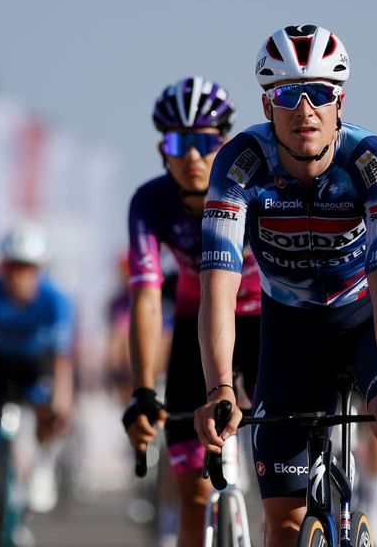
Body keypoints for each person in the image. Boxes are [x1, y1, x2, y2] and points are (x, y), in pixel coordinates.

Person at [195, 24, 377, 547]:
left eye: (320, 93)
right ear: (267, 106)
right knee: (282, 526)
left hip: (367, 315)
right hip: (291, 328)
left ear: (339, 101)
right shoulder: (238, 166)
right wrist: (218, 389)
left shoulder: (373, 163)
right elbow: (219, 289)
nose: (305, 109)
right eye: (287, 94)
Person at [121, 76, 262, 547]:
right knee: (195, 495)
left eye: (206, 142)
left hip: (269, 322)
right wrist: (143, 389)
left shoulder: (258, 187)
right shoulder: (150, 203)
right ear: (163, 147)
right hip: (197, 327)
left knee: (291, 482)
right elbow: (145, 296)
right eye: (179, 142)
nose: (194, 157)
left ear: (225, 142)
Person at [0, 222, 75, 521]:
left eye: (28, 268)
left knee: (53, 414)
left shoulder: (55, 300)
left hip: (34, 365)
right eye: (13, 267)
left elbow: (61, 359)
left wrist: (61, 403)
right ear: (2, 267)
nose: (20, 275)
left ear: (39, 270)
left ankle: (42, 467)